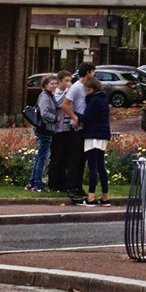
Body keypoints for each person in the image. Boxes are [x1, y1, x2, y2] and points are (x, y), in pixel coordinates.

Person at [57, 63, 91, 204]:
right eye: (93, 71)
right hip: (77, 127)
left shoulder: (86, 87)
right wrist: (74, 117)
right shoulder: (76, 87)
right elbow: (64, 104)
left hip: (85, 126)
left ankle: (78, 185)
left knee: (82, 158)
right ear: (88, 72)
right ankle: (71, 186)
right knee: (75, 158)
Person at [80, 70, 112, 204]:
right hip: (102, 134)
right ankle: (105, 196)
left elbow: (87, 117)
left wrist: (75, 115)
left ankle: (91, 196)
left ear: (92, 89)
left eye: (87, 90)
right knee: (101, 167)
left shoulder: (94, 101)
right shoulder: (103, 99)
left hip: (93, 135)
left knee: (93, 166)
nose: (86, 93)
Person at [26, 75, 59, 191]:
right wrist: (55, 118)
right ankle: (37, 184)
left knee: (40, 157)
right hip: (44, 129)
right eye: (52, 84)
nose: (54, 85)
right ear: (45, 85)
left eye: (56, 83)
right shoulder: (45, 96)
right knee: (42, 157)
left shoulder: (50, 95)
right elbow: (44, 113)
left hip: (45, 130)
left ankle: (32, 183)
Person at [45, 72, 75, 193]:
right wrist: (68, 93)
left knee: (66, 158)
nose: (69, 83)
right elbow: (60, 104)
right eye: (67, 80)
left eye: (70, 81)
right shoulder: (56, 93)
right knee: (56, 157)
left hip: (68, 129)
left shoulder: (69, 93)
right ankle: (53, 183)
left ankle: (63, 184)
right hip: (58, 130)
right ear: (61, 81)